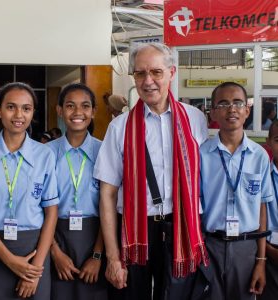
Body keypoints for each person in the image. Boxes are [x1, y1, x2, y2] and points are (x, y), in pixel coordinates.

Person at [94, 42, 209, 300]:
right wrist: (113, 258)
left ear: (172, 72)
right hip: (135, 229)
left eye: (156, 72)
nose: (148, 81)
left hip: (181, 226)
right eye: (140, 73)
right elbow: (107, 194)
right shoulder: (119, 127)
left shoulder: (195, 119)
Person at [0, 82, 59, 299]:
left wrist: (36, 270)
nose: (18, 114)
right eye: (11, 107)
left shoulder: (45, 155)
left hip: (34, 249)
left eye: (26, 108)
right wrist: (9, 259)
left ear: (33, 113)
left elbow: (51, 212)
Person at [200, 82, 273, 300]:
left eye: (238, 103)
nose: (231, 109)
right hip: (209, 246)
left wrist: (261, 261)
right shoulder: (202, 154)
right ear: (213, 112)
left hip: (246, 248)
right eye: (223, 104)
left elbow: (262, 208)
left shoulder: (259, 155)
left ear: (247, 110)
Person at [48, 83, 107, 300]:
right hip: (55, 236)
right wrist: (54, 252)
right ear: (60, 111)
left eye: (85, 106)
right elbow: (39, 208)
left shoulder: (105, 152)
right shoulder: (45, 154)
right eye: (70, 106)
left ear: (93, 111)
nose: (78, 113)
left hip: (95, 237)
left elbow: (108, 207)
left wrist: (97, 256)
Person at [259, 120, 278, 299]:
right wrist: (268, 252)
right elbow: (258, 217)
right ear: (269, 142)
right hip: (269, 251)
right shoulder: (262, 175)